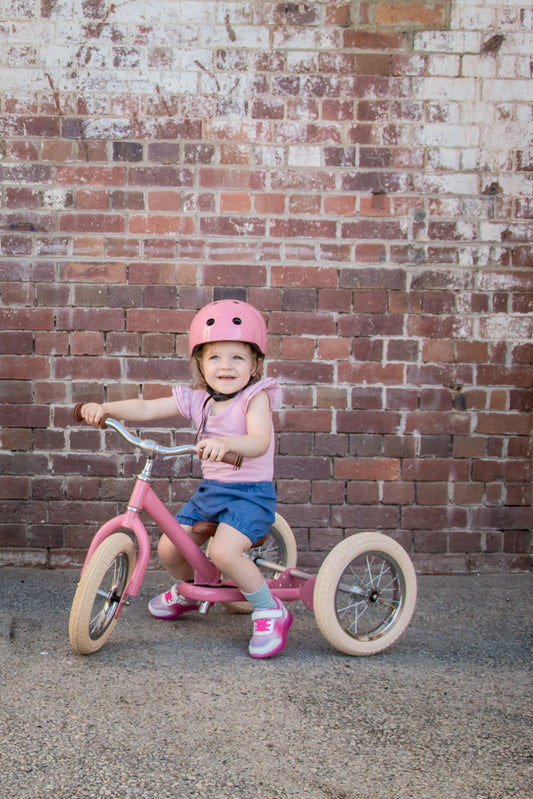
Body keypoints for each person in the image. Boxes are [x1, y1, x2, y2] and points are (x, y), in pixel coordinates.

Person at [79, 299, 292, 659]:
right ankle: (193, 589)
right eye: (214, 357)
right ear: (200, 364)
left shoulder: (255, 399)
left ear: (256, 364)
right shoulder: (198, 400)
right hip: (213, 492)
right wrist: (107, 409)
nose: (225, 366)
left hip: (249, 495)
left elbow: (259, 442)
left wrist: (225, 442)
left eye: (238, 357)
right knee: (169, 548)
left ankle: (270, 609)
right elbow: (148, 407)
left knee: (224, 552)